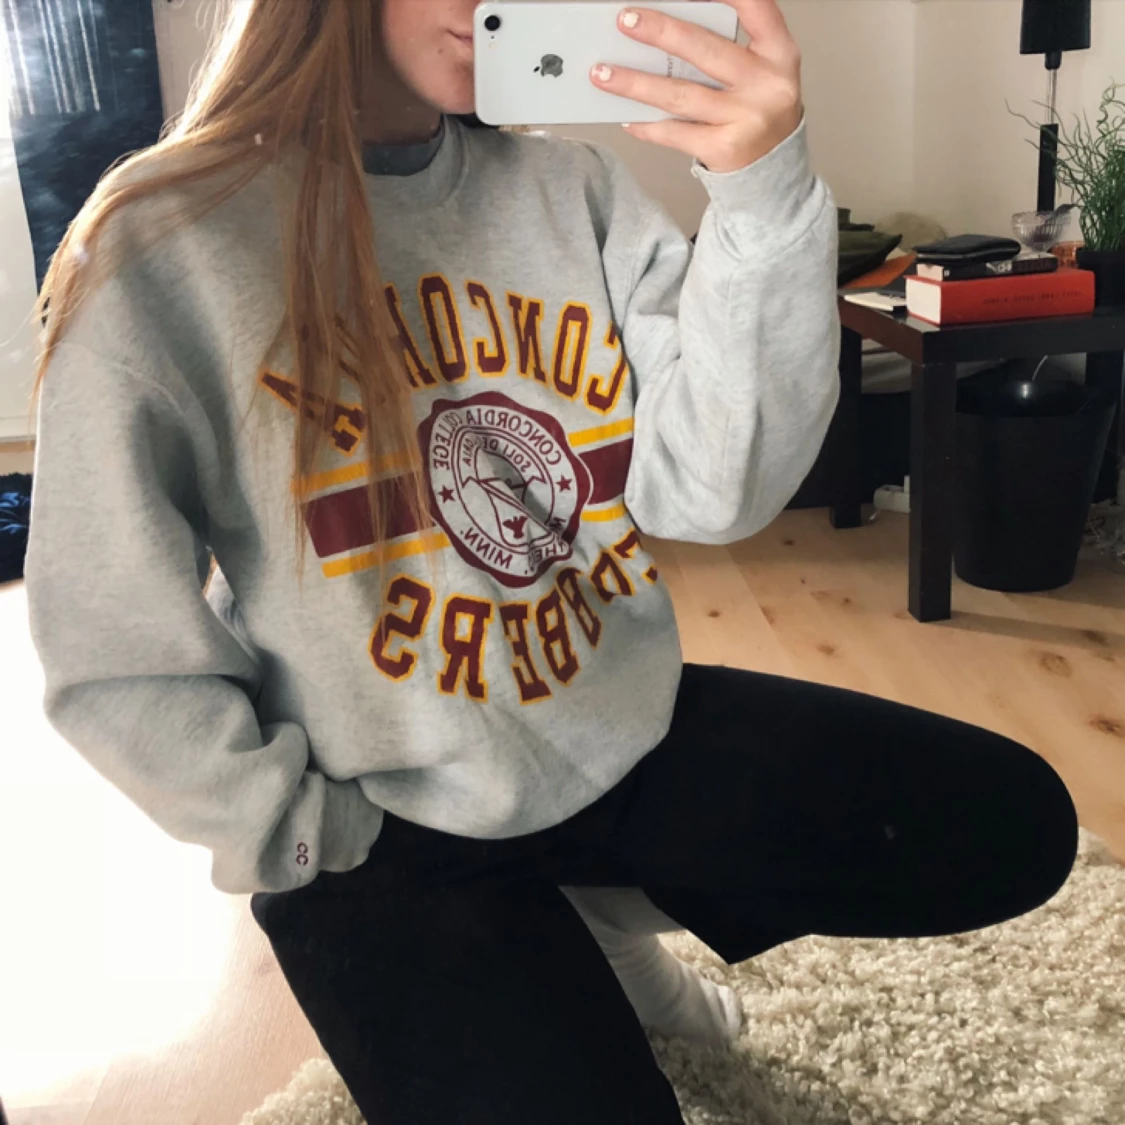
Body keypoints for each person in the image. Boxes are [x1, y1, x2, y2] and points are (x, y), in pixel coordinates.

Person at [23, 2, 1078, 1123]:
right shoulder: (164, 239)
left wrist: (763, 192)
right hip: (381, 828)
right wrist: (285, 827)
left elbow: (714, 488)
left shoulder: (572, 190)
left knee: (1007, 826)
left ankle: (593, 912)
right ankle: (550, 933)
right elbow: (112, 642)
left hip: (607, 734)